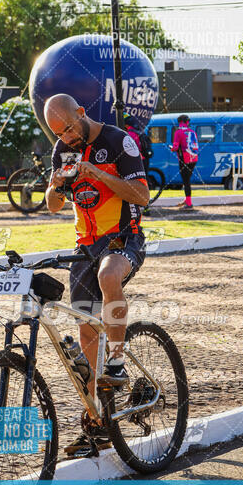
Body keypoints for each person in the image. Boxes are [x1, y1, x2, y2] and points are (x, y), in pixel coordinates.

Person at [44, 94, 149, 457]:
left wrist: (98, 173)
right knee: (85, 330)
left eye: (70, 128)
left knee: (109, 277)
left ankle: (117, 362)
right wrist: (56, 184)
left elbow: (142, 195)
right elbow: (53, 205)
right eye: (58, 133)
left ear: (82, 113)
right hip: (84, 247)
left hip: (124, 237)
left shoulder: (119, 141)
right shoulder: (62, 150)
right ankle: (97, 424)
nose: (67, 137)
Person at [171, 115, 199, 210]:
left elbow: (175, 147)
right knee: (187, 180)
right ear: (187, 122)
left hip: (184, 159)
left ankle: (189, 204)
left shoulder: (178, 132)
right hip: (193, 159)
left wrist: (172, 149)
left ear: (179, 122)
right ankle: (187, 200)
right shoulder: (192, 132)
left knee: (186, 181)